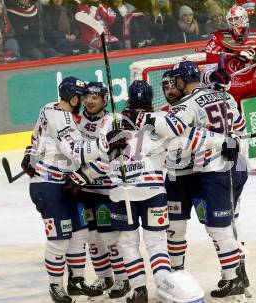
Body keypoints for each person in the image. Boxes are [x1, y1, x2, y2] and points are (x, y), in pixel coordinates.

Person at [134, 61, 248, 301]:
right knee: (178, 228)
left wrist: (147, 119)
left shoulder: (183, 108)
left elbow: (173, 129)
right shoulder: (221, 94)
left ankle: (236, 275)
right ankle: (178, 276)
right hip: (196, 174)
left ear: (182, 82)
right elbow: (239, 127)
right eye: (166, 86)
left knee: (221, 225)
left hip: (207, 173)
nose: (171, 89)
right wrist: (231, 140)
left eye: (174, 84)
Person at [21, 76, 126, 303]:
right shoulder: (64, 119)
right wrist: (105, 144)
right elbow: (77, 153)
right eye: (83, 96)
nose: (86, 101)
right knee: (59, 239)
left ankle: (75, 281)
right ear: (75, 98)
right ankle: (55, 286)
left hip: (68, 184)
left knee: (80, 234)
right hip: (49, 186)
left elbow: (35, 135)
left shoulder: (48, 107)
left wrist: (29, 153)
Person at [103, 80, 172, 303]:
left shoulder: (111, 120)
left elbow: (101, 151)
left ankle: (139, 290)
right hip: (152, 188)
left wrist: (114, 139)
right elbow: (173, 140)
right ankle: (164, 289)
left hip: (123, 190)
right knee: (157, 243)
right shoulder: (160, 119)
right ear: (151, 99)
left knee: (127, 243)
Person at [202, 4, 256, 171]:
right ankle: (222, 157)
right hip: (227, 91)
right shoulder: (218, 36)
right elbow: (209, 52)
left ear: (245, 19)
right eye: (231, 20)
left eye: (237, 19)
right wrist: (235, 52)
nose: (234, 23)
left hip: (251, 89)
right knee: (223, 128)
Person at [74, 82, 131, 300]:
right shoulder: (78, 120)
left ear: (104, 100)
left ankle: (122, 279)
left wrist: (88, 172)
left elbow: (114, 158)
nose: (89, 101)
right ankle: (103, 277)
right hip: (86, 189)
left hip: (108, 188)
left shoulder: (112, 121)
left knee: (110, 237)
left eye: (95, 97)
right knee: (91, 236)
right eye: (87, 97)